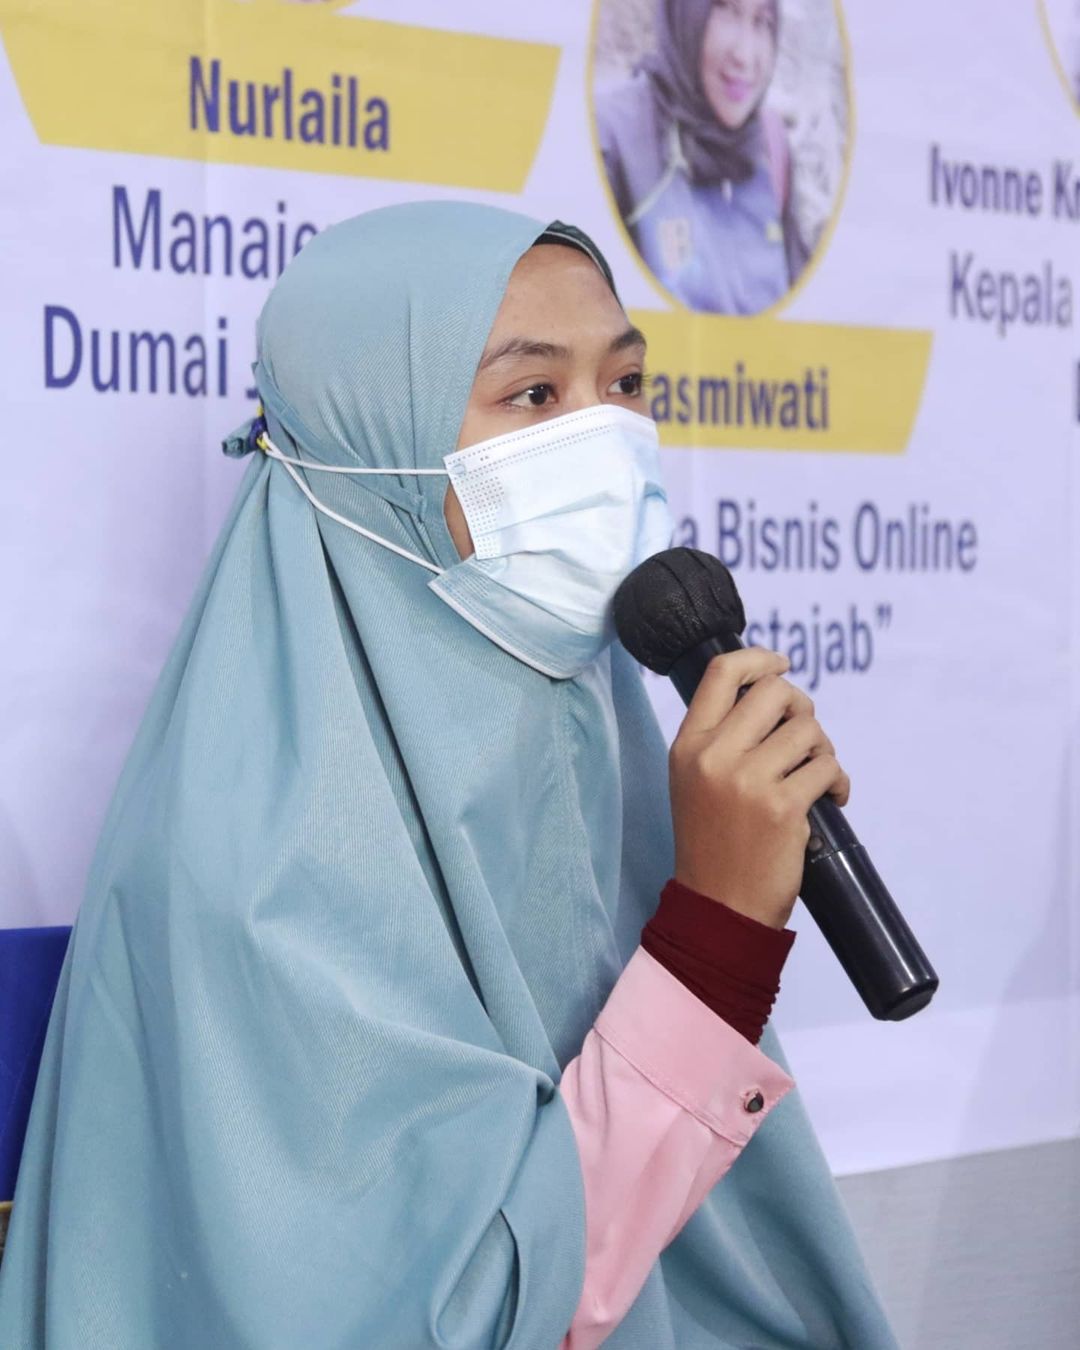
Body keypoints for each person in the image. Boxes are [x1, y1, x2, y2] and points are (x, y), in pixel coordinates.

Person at [0, 201, 895, 1348]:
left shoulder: (608, 751)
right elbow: (461, 1321)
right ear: (373, 450)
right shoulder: (253, 884)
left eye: (626, 384)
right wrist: (713, 938)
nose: (607, 436)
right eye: (535, 395)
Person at [596, 0, 810, 314]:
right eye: (725, 10)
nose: (745, 56)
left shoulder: (771, 144)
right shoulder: (613, 138)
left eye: (762, 22)